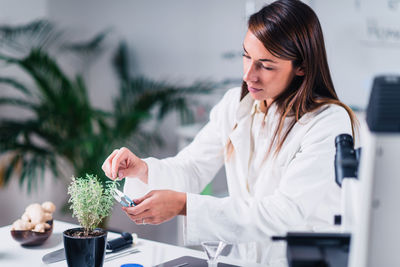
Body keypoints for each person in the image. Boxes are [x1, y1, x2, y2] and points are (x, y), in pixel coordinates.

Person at [102, 0, 357, 265]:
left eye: (266, 65)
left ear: (301, 67)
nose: (249, 75)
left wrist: (184, 205)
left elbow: (285, 213)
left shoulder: (328, 122)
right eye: (246, 56)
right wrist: (143, 170)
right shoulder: (235, 105)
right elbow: (192, 167)